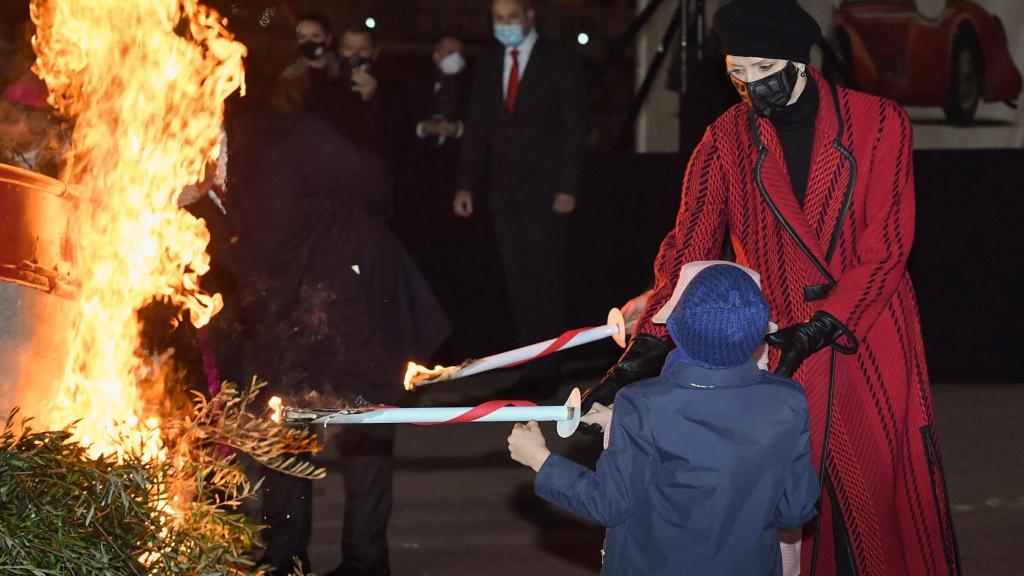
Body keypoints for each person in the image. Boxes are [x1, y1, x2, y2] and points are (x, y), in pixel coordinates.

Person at [581, 1, 960, 574]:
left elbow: (886, 248)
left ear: (799, 62)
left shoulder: (880, 123)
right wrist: (632, 365)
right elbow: (689, 250)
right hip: (773, 340)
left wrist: (824, 324)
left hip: (865, 331)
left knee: (874, 497)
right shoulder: (726, 138)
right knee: (782, 502)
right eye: (736, 73)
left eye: (762, 70)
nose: (748, 87)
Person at [231, 100, 448, 576]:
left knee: (364, 422)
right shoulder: (178, 161)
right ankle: (285, 559)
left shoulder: (289, 137)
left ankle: (366, 562)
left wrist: (327, 236)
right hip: (280, 303)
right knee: (285, 429)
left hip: (347, 291)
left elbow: (375, 186)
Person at [508, 263, 819, 575]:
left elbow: (608, 503)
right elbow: (795, 509)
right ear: (759, 332)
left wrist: (540, 458)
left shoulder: (643, 402)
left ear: (677, 326)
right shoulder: (787, 400)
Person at [454, 0, 587, 394]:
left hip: (547, 192)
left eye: (512, 17)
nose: (505, 25)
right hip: (503, 191)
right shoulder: (489, 61)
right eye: (499, 19)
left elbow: (575, 126)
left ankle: (546, 373)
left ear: (530, 17)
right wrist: (465, 183)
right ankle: (529, 364)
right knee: (518, 283)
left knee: (544, 281)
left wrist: (569, 187)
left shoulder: (559, 60)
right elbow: (477, 126)